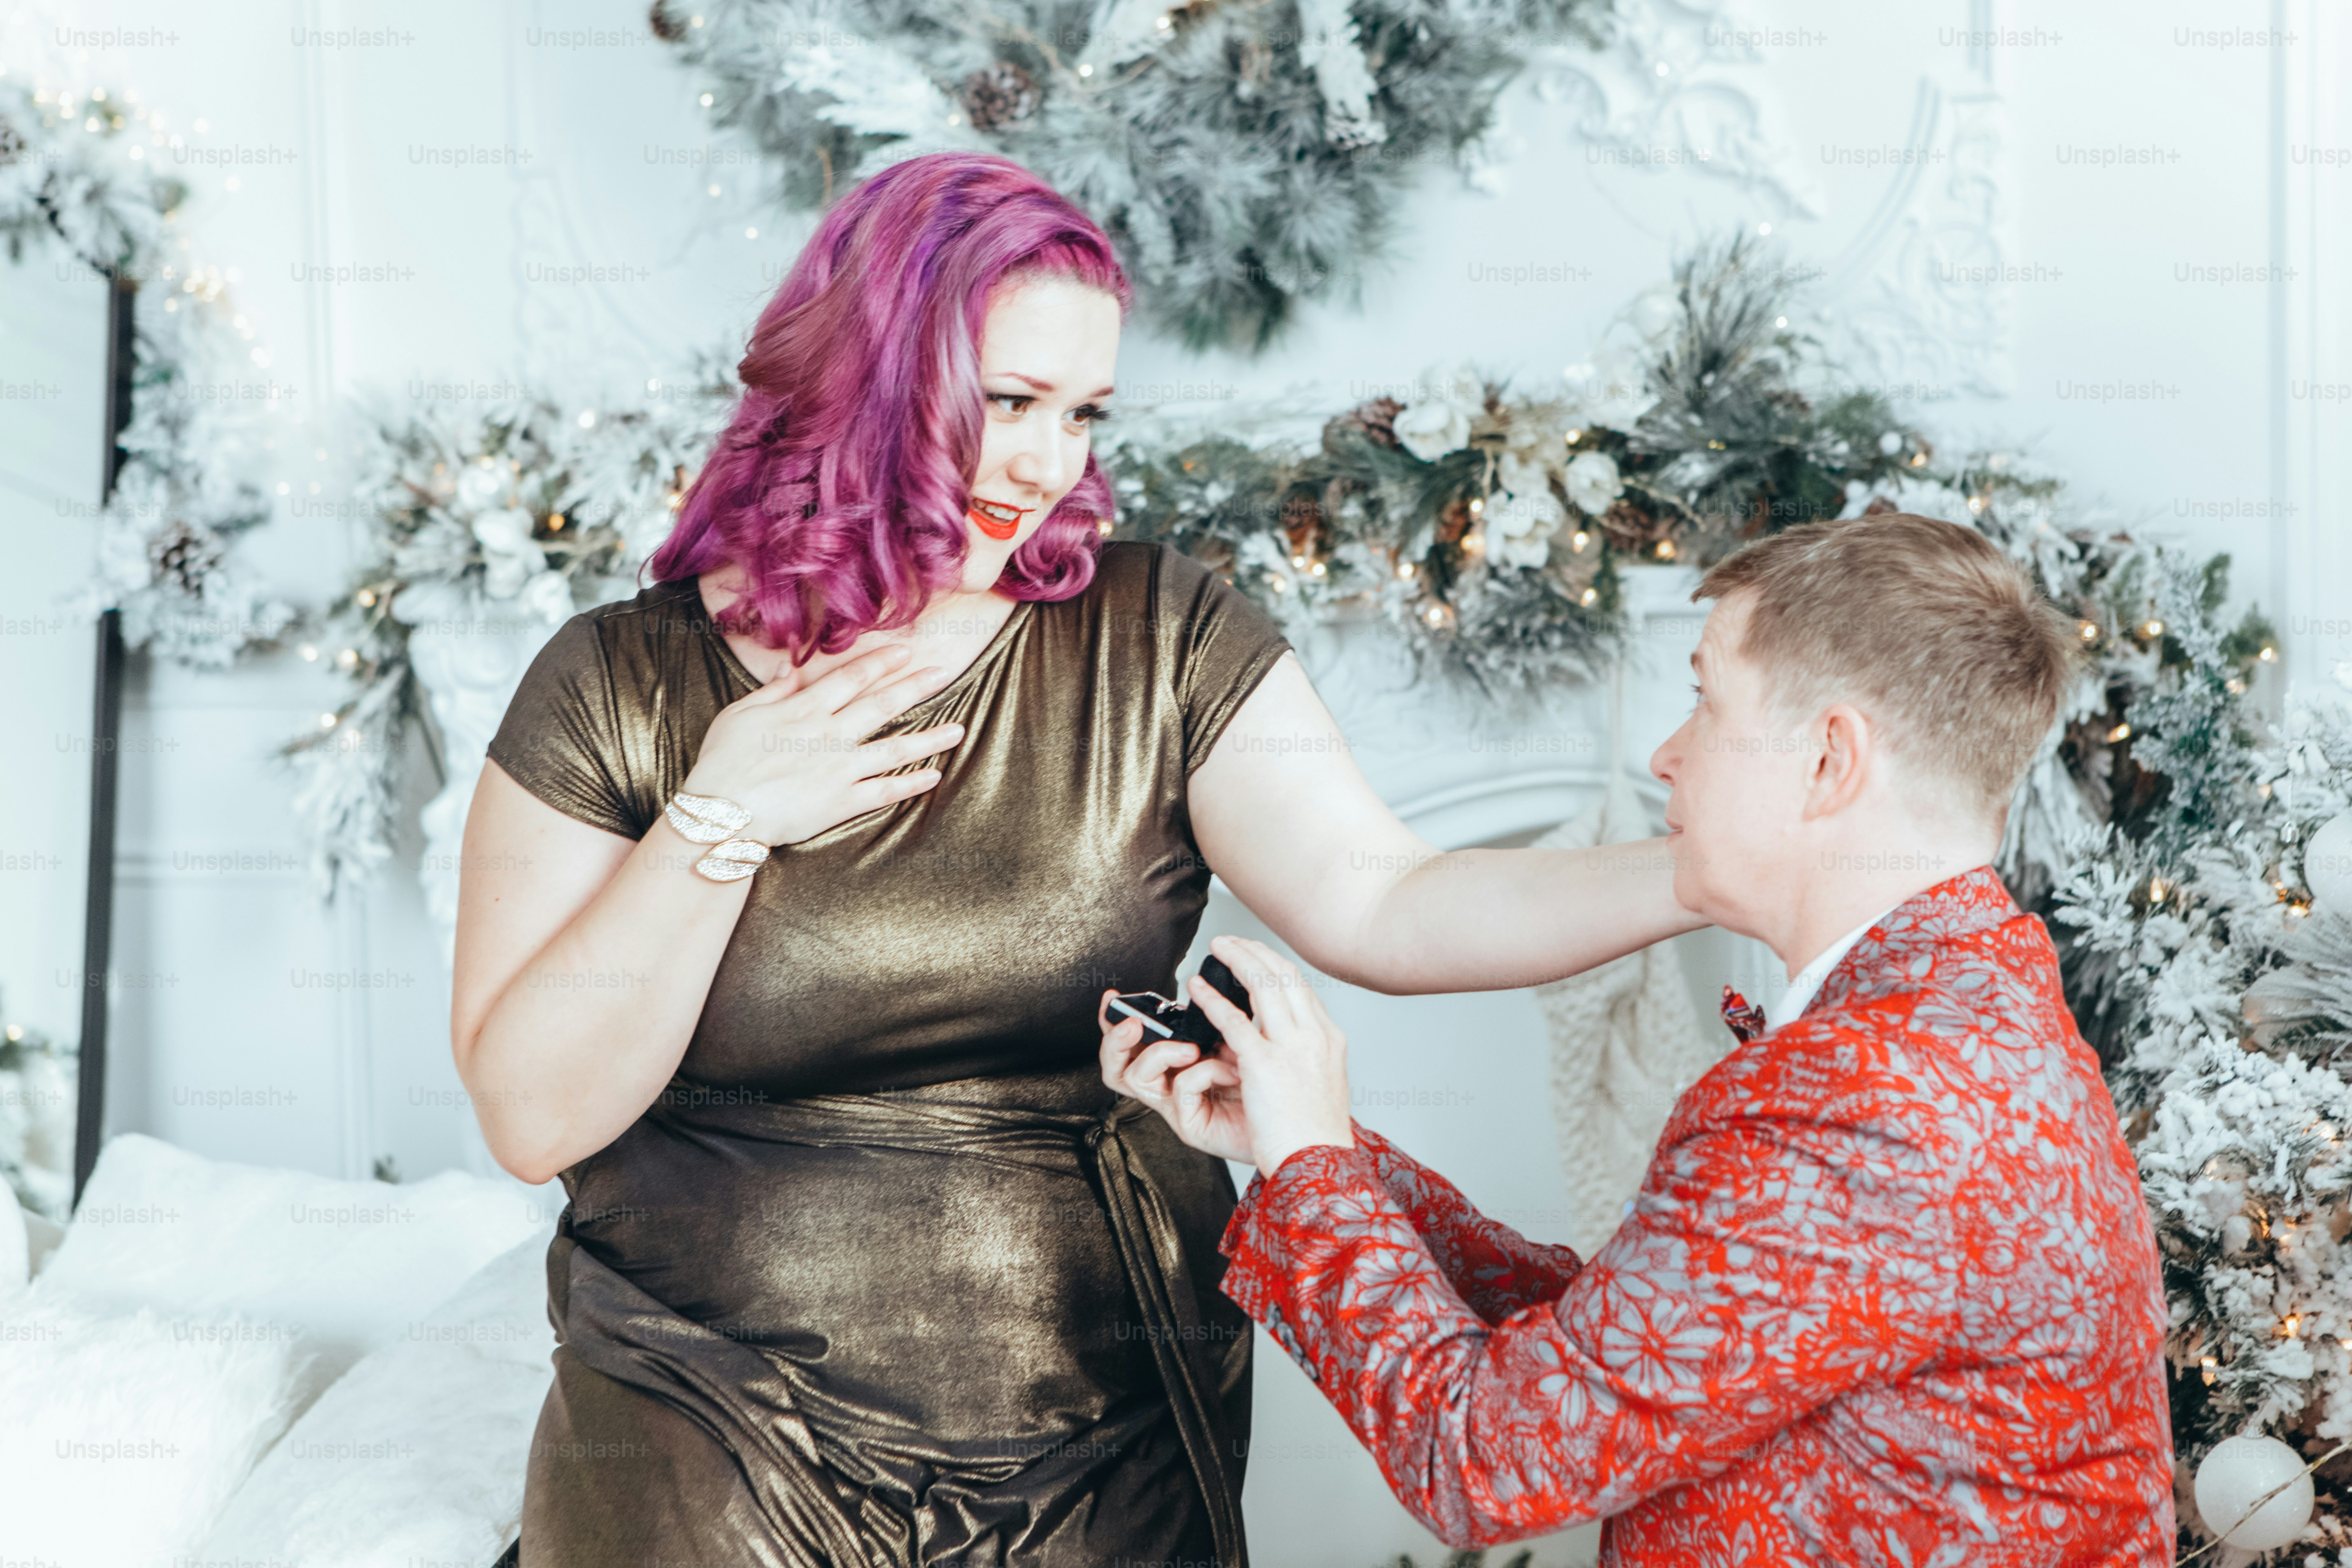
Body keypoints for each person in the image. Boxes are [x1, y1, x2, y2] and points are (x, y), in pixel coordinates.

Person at [451, 150, 1701, 1567]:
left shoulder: (1154, 634)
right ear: (866, 376)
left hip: (1092, 1402)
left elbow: (1389, 902)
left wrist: (1706, 872)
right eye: (1009, 404)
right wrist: (720, 814)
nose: (1049, 466)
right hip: (707, 1410)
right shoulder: (620, 677)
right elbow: (532, 1116)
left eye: (1082, 414)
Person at [1101, 513, 2175, 1564]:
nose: (1666, 755)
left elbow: (1483, 1457)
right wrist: (1306, 1137)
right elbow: (1631, 1345)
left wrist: (1309, 1167)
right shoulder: (1962, 1008)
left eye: (1704, 701)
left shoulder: (1863, 1088)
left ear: (1828, 759)